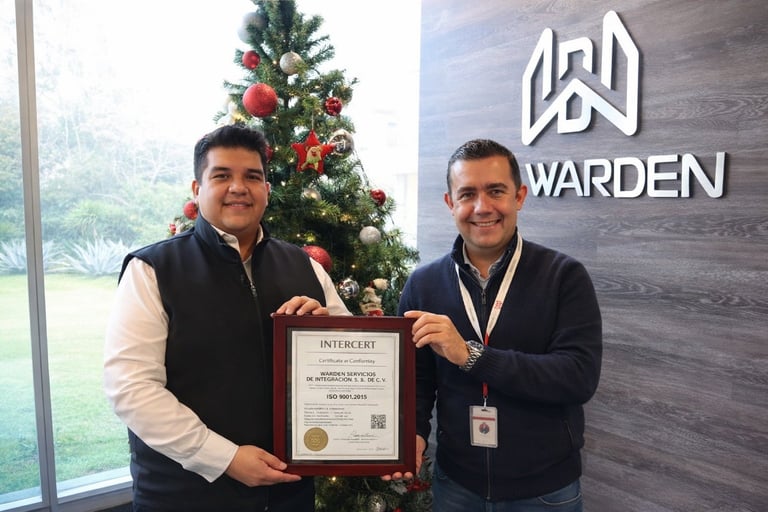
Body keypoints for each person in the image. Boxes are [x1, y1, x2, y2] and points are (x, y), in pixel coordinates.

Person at [104, 124, 351, 512]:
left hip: (290, 493)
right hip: (185, 495)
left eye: (252, 177)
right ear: (197, 189)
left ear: (266, 191)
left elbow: (354, 362)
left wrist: (328, 332)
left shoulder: (306, 267)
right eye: (222, 176)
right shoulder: (152, 269)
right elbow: (131, 388)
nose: (239, 187)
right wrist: (223, 458)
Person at [398, 139, 602, 511]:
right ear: (450, 203)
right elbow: (417, 379)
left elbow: (578, 377)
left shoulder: (563, 276)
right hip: (456, 485)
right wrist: (413, 433)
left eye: (495, 191)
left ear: (519, 196)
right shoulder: (423, 284)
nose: (482, 207)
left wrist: (471, 356)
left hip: (544, 491)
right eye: (467, 194)